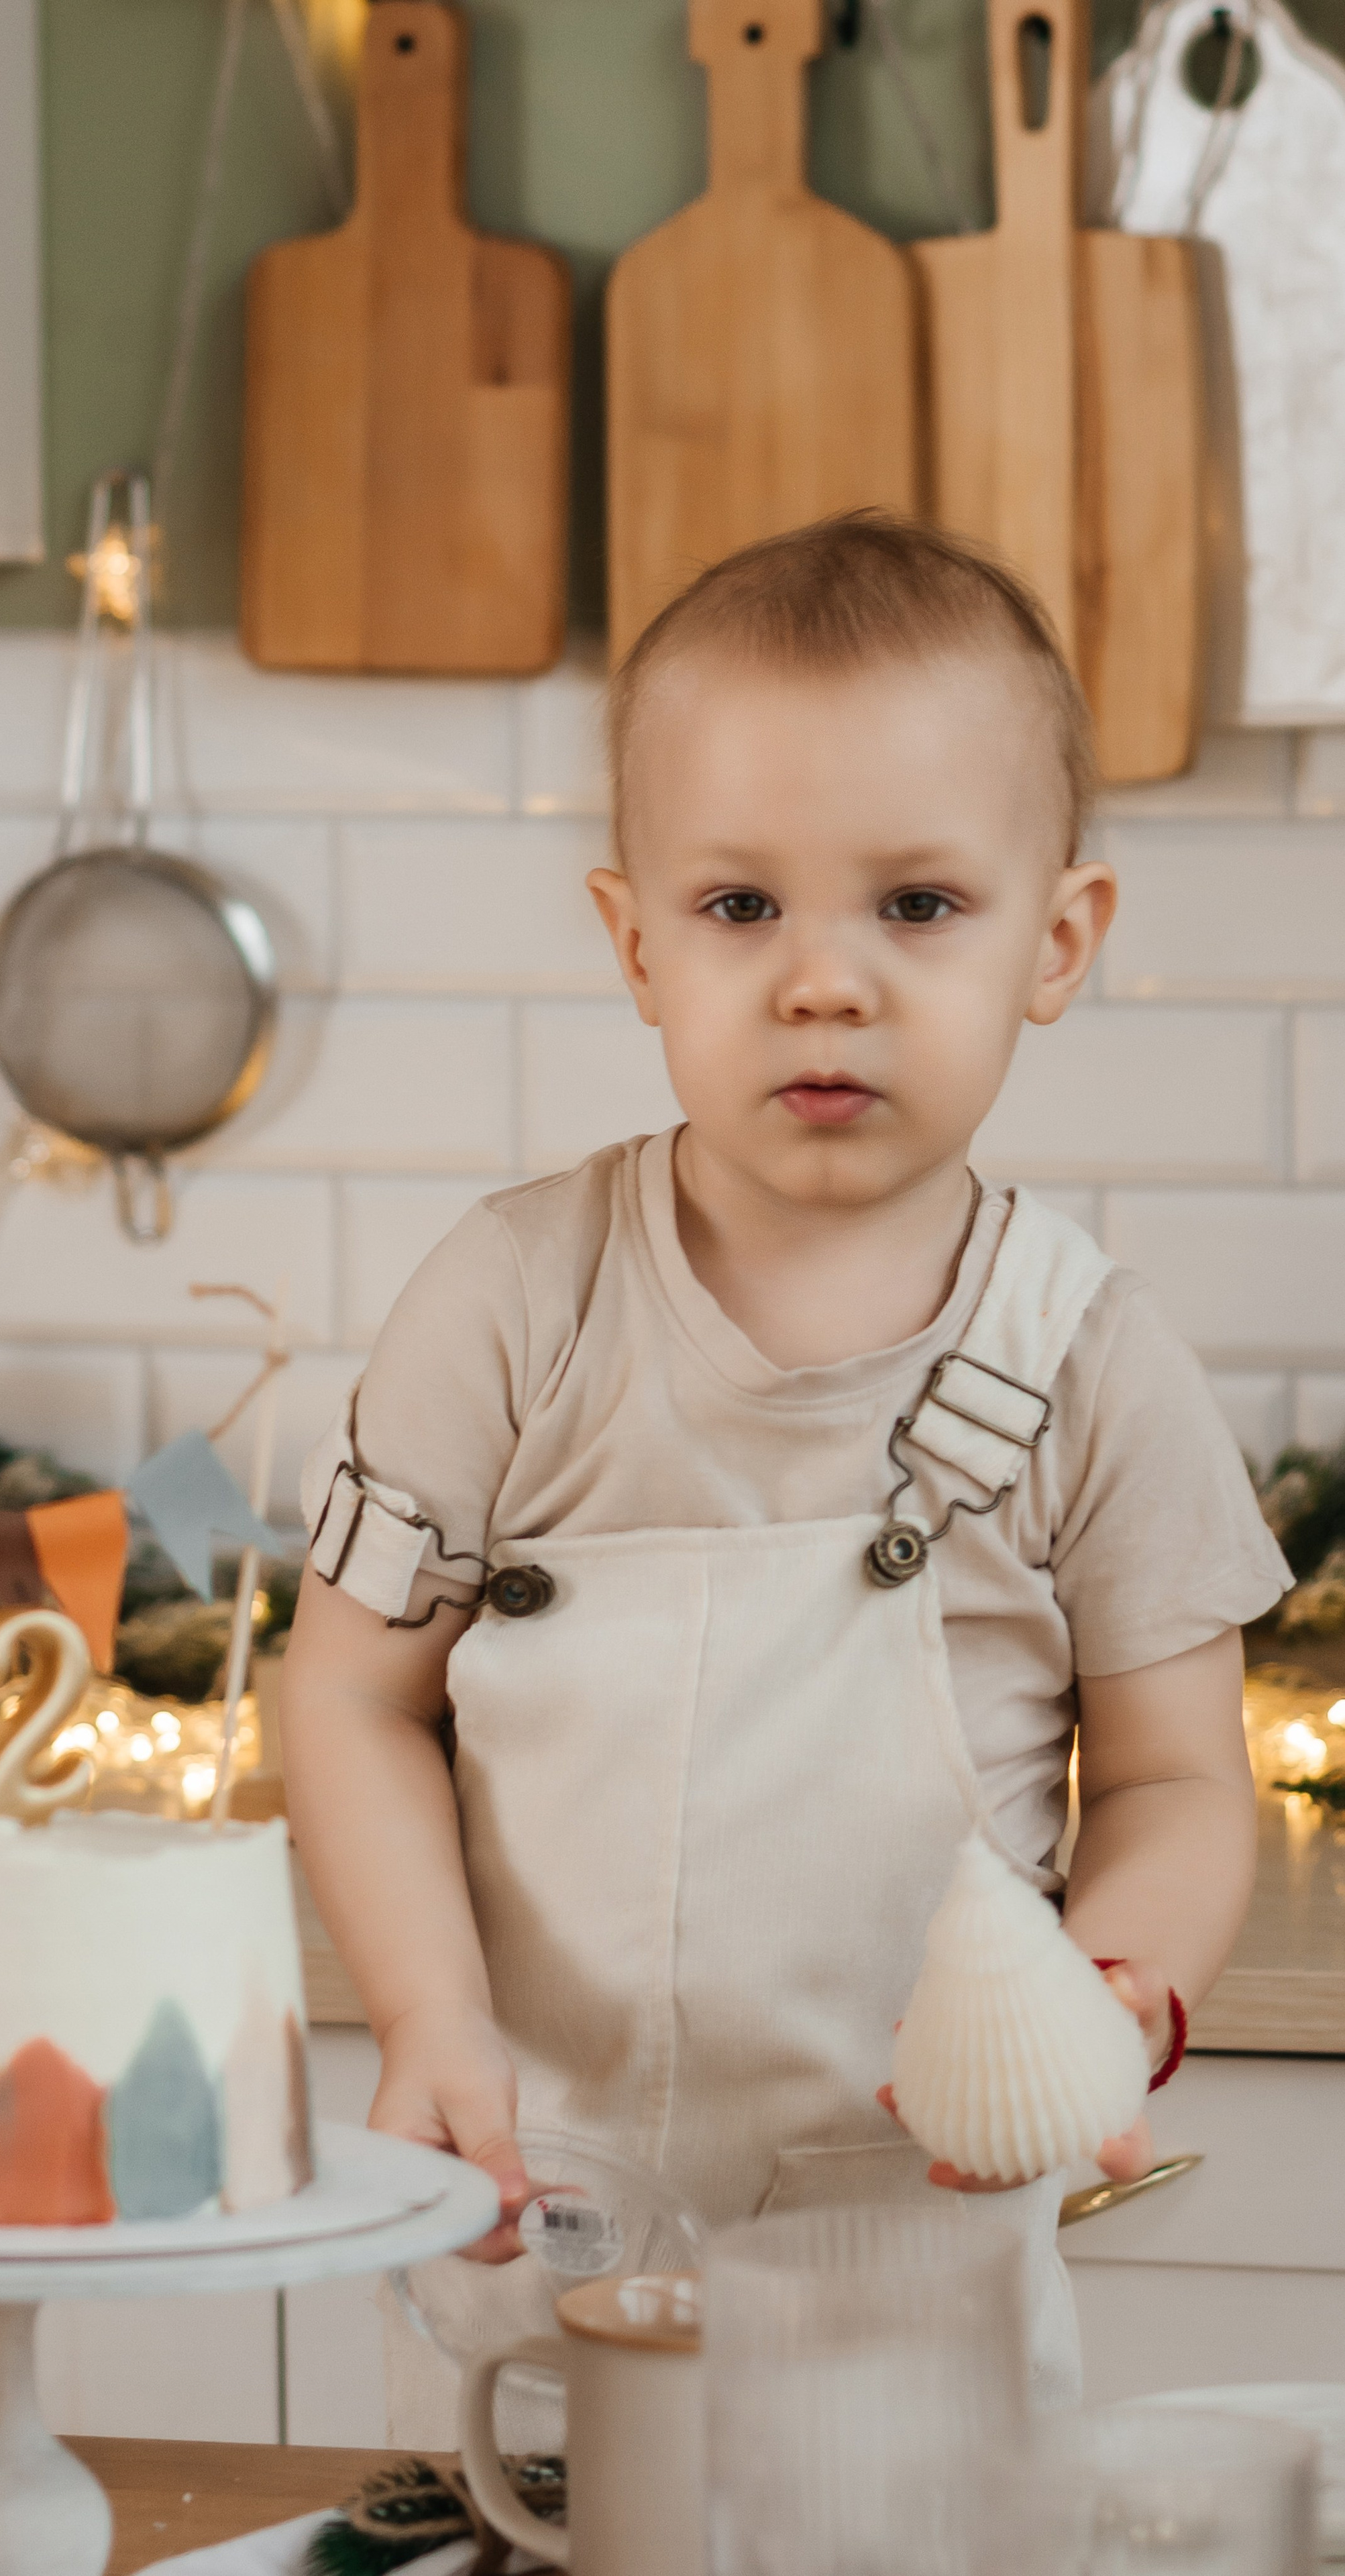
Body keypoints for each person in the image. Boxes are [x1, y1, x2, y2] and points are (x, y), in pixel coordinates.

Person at [280, 513, 1289, 2434]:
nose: (825, 982)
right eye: (744, 909)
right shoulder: (510, 1307)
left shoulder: (1088, 1359)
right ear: (634, 938)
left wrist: (1113, 1997)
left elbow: (1173, 1779)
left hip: (929, 2281)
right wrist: (430, 2020)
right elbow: (346, 1693)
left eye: (917, 906)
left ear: (1057, 942)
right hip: (547, 2250)